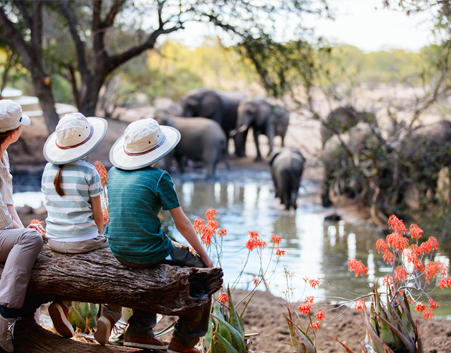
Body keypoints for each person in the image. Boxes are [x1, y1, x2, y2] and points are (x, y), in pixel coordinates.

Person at [102, 118, 213, 353]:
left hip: (116, 249)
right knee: (203, 275)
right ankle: (183, 340)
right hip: (149, 251)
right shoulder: (159, 177)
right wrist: (204, 255)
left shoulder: (113, 173)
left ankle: (139, 331)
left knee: (149, 263)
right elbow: (182, 224)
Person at [41, 112, 113, 339]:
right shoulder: (88, 171)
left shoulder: (47, 169)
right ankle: (110, 316)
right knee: (115, 264)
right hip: (84, 239)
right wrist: (100, 234)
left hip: (54, 239)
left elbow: (49, 206)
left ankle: (62, 304)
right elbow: (98, 213)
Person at [0, 100, 45, 353]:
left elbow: (7, 202)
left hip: (2, 233)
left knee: (30, 237)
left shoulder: (3, 156)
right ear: (15, 132)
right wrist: (24, 236)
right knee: (31, 240)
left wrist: (23, 229)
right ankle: (4, 318)